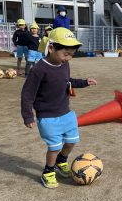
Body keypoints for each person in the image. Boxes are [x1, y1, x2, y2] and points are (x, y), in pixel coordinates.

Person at [21, 27, 97, 189]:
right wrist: (28, 116)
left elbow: (67, 81)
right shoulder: (39, 70)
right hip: (48, 117)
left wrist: (83, 82)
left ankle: (61, 161)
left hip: (66, 113)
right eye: (66, 54)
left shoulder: (63, 65)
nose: (68, 58)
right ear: (51, 48)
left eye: (71, 55)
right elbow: (27, 94)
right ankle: (48, 171)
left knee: (72, 141)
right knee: (54, 147)